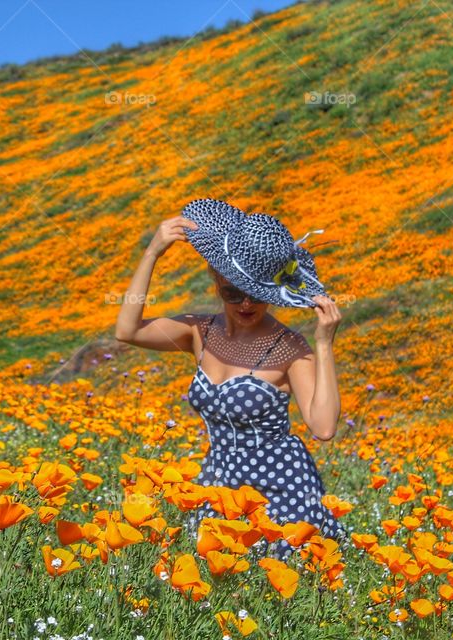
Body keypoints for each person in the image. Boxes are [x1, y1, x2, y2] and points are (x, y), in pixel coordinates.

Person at [115, 198, 348, 560]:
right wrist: (151, 255)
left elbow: (323, 427)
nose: (245, 304)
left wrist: (323, 343)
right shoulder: (198, 331)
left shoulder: (289, 347)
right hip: (219, 483)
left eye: (257, 295)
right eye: (232, 293)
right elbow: (127, 330)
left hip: (281, 490)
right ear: (216, 280)